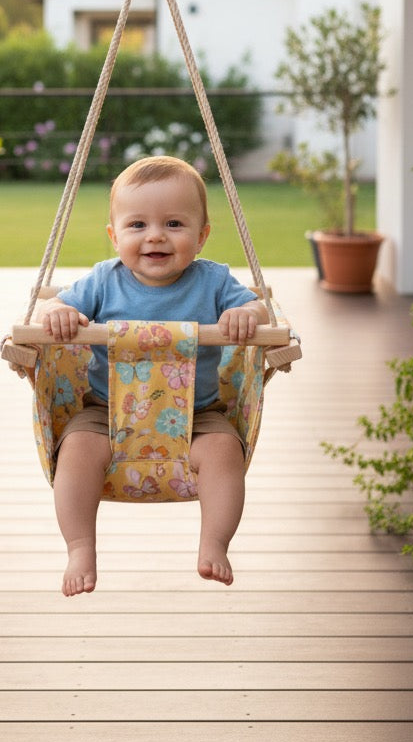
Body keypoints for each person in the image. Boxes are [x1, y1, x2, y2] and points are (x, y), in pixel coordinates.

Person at [35, 155, 268, 597]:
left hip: (198, 415)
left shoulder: (214, 282)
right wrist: (60, 312)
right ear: (114, 236)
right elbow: (51, 308)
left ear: (201, 237)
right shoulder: (103, 281)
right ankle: (80, 547)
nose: (155, 235)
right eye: (137, 225)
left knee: (224, 453)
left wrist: (245, 313)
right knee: (76, 450)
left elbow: (259, 308)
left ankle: (215, 543)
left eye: (174, 224)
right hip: (105, 412)